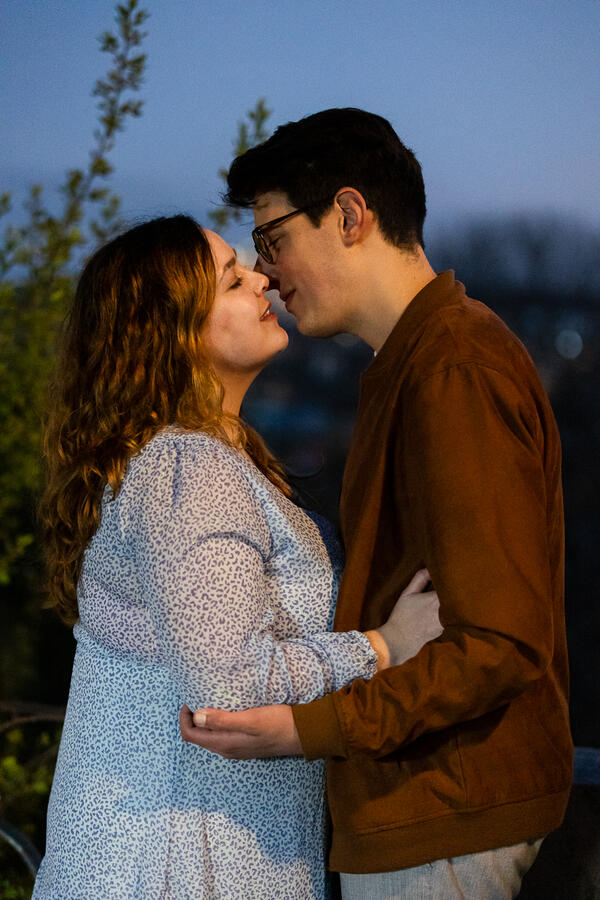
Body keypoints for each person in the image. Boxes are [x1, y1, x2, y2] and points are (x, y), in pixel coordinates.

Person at [180, 108, 573, 898]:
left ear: (351, 215)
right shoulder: (414, 365)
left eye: (274, 237)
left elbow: (498, 642)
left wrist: (308, 728)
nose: (269, 272)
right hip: (421, 811)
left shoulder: (452, 368)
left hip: (444, 817)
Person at [32, 214, 441, 899]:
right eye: (231, 279)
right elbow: (227, 687)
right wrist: (379, 646)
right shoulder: (187, 468)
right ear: (175, 332)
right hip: (177, 865)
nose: (261, 278)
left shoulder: (193, 459)